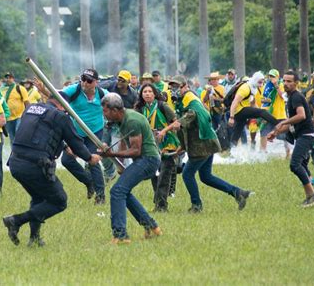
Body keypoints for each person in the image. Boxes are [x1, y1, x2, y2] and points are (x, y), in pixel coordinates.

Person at [3, 93, 102, 247]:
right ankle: (16, 221)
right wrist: (90, 158)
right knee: (59, 201)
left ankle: (34, 239)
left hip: (16, 163)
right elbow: (76, 143)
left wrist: (62, 145)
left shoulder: (31, 109)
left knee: (39, 198)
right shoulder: (61, 116)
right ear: (63, 105)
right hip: (34, 165)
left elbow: (38, 133)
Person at [168, 75, 252, 213]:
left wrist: (175, 126)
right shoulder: (181, 100)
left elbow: (193, 116)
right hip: (206, 143)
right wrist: (182, 145)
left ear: (185, 86)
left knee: (187, 174)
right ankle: (238, 193)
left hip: (202, 144)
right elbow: (183, 127)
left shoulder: (190, 98)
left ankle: (197, 205)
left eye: (177, 86)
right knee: (206, 177)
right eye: (172, 87)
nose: (174, 89)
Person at [99, 93, 162, 244]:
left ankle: (120, 236)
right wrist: (119, 162)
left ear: (115, 110)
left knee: (117, 191)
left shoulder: (132, 121)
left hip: (148, 159)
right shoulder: (122, 119)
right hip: (142, 159)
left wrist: (111, 154)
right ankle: (152, 228)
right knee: (123, 192)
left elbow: (136, 150)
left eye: (105, 111)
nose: (104, 114)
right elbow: (123, 142)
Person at [267, 71, 314, 207]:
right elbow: (294, 122)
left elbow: (301, 115)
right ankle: (311, 194)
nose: (286, 84)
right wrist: (276, 132)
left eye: (289, 81)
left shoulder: (296, 96)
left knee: (295, 164)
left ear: (296, 83)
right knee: (301, 164)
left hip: (308, 135)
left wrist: (282, 122)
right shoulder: (291, 97)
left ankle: (313, 195)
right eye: (284, 81)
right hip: (304, 135)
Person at [61, 69, 108, 204]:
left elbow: (116, 104)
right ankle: (89, 182)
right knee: (66, 160)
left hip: (95, 132)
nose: (84, 83)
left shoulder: (103, 94)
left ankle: (100, 196)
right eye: (83, 79)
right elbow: (57, 98)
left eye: (89, 80)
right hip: (76, 133)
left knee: (92, 161)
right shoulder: (73, 90)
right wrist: (45, 91)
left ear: (96, 82)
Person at [135, 83, 181, 212]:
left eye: (150, 91)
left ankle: (161, 205)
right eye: (145, 92)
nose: (147, 94)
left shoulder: (162, 106)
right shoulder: (139, 109)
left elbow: (176, 123)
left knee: (164, 174)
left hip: (167, 143)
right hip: (150, 144)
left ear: (154, 94)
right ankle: (159, 202)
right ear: (141, 95)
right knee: (154, 174)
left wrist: (164, 131)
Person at [228, 72, 279, 146]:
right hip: (238, 111)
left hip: (241, 111)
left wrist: (263, 115)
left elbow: (253, 104)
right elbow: (234, 102)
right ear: (255, 79)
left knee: (236, 134)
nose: (261, 84)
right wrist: (231, 117)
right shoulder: (245, 88)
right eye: (260, 81)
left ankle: (232, 153)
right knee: (263, 112)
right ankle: (279, 124)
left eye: (262, 81)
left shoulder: (253, 87)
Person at [259, 69, 290, 157]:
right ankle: (263, 153)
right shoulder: (266, 86)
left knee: (284, 135)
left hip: (280, 114)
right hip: (269, 114)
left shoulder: (282, 85)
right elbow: (262, 99)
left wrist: (276, 86)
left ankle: (288, 153)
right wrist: (269, 100)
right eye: (270, 76)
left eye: (273, 76)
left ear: (277, 77)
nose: (271, 78)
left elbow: (284, 96)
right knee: (263, 132)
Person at [0, 72, 29, 149]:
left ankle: (22, 150)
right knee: (12, 137)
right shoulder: (1, 89)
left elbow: (26, 102)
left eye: (10, 77)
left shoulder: (19, 88)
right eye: (6, 77)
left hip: (20, 116)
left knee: (18, 133)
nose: (8, 79)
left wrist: (28, 114)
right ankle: (14, 153)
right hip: (8, 117)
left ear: (13, 78)